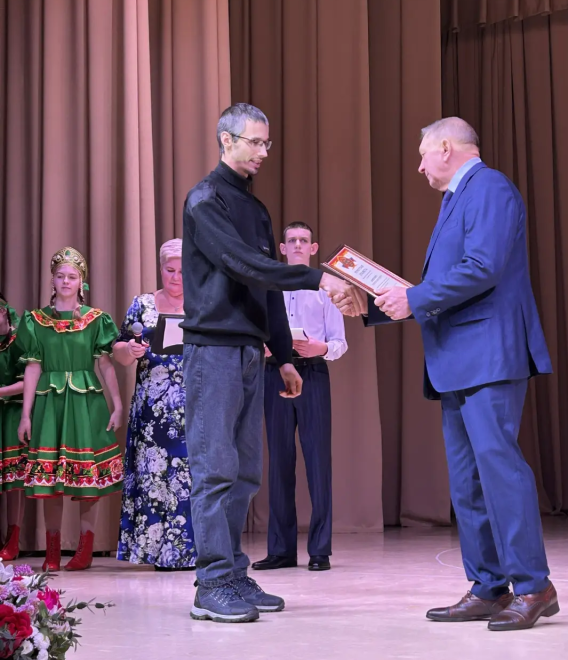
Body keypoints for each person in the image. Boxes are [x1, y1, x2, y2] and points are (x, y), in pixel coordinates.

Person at [366, 116, 558, 632]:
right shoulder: (457, 198)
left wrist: (412, 298)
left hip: (488, 354)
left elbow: (482, 268)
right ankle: (489, 586)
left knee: (499, 471)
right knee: (468, 481)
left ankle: (534, 586)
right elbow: (448, 281)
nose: (420, 166)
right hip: (458, 358)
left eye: (423, 154)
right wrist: (380, 304)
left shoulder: (489, 187)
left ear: (447, 147)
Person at [182, 103, 365, 624]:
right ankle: (211, 582)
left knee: (244, 472)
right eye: (255, 142)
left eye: (267, 143)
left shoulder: (256, 209)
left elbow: (266, 288)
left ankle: (234, 574)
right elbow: (243, 264)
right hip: (213, 350)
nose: (264, 151)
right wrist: (316, 277)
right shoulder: (205, 199)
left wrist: (283, 357)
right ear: (226, 140)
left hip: (249, 351)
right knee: (215, 469)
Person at [16, 247, 123, 571]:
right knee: (50, 481)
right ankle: (52, 552)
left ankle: (84, 550)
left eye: (72, 276)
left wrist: (117, 404)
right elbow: (33, 368)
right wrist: (25, 414)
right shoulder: (35, 321)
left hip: (86, 403)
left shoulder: (96, 319)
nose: (65, 281)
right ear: (52, 280)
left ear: (81, 282)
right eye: (60, 276)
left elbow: (105, 365)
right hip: (50, 404)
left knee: (87, 478)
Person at [253, 221, 347, 573]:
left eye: (303, 240)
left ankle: (320, 549)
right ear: (281, 248)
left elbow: (339, 342)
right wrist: (264, 347)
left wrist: (320, 347)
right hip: (275, 370)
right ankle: (281, 550)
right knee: (279, 461)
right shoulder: (267, 286)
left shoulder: (324, 289)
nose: (296, 245)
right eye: (291, 240)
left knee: (318, 460)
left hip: (312, 373)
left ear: (313, 248)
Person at [113, 239, 195, 570]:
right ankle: (157, 553)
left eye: (183, 271)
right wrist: (129, 351)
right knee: (154, 478)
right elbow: (119, 350)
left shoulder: (203, 304)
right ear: (161, 269)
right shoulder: (143, 304)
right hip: (152, 412)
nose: (176, 277)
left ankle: (194, 552)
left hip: (193, 406)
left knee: (190, 478)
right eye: (170, 270)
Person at [0, 295, 26, 560]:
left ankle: (14, 538)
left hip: (12, 411)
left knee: (13, 480)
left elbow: (29, 380)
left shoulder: (18, 341)